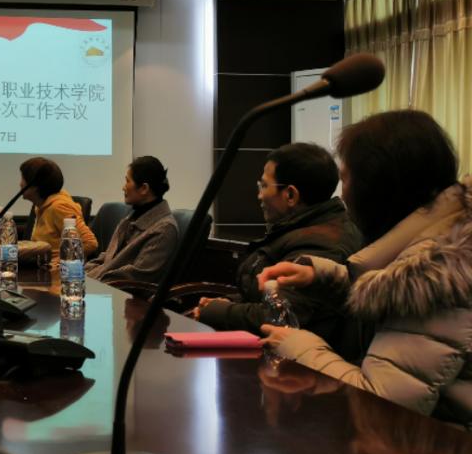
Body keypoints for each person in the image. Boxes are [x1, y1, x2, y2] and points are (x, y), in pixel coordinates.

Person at [259, 110, 471, 427]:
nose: (343, 193)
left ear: (377, 189)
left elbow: (383, 406)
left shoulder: (437, 277)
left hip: (441, 451)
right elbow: (393, 290)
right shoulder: (444, 245)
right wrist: (323, 278)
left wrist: (298, 347)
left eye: (346, 179)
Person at [191, 143, 364, 357]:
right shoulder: (304, 229)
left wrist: (216, 311)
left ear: (290, 195)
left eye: (264, 186)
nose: (259, 196)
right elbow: (268, 296)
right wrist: (228, 303)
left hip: (297, 367)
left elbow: (282, 316)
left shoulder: (322, 244)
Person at [86, 156, 178, 284]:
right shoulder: (132, 216)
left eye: (127, 181)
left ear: (144, 188)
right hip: (101, 285)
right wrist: (79, 273)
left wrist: (88, 280)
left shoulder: (164, 230)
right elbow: (108, 258)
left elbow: (135, 277)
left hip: (120, 293)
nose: (123, 187)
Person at [20, 157, 97, 264]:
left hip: (55, 272)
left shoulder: (59, 207)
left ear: (34, 186)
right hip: (40, 268)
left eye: (23, 179)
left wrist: (60, 262)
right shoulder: (40, 207)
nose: (20, 184)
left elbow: (89, 243)